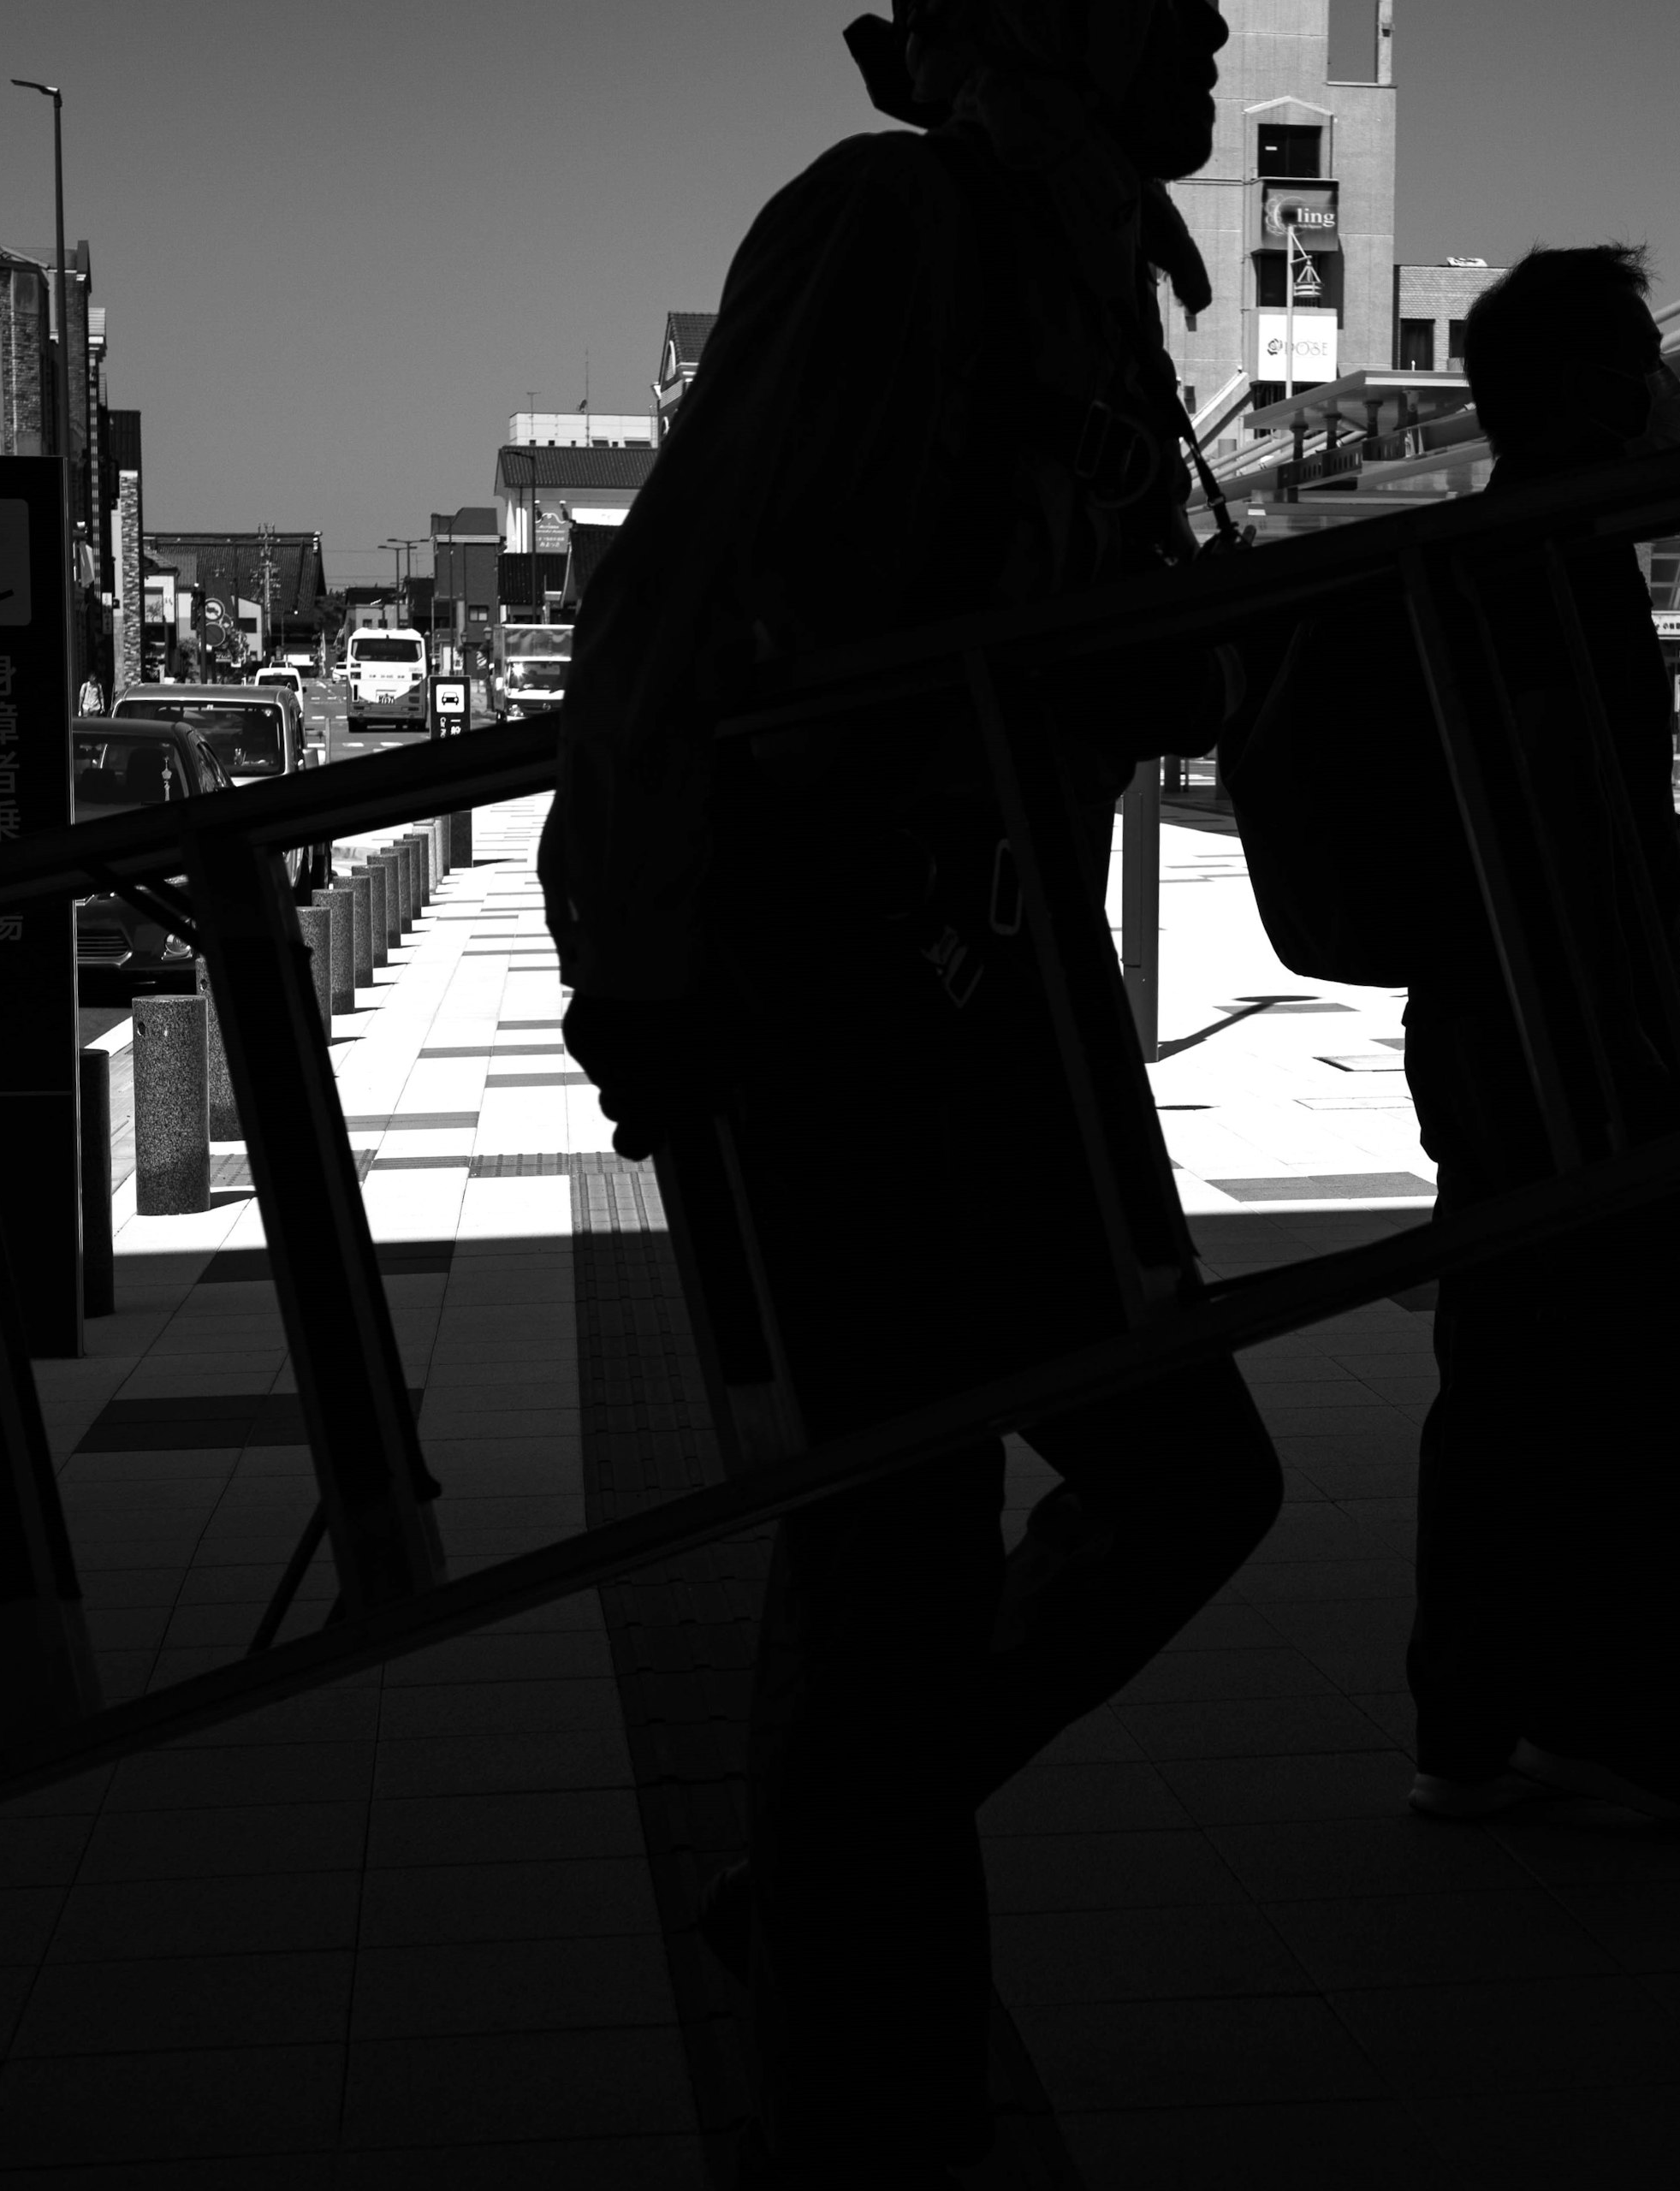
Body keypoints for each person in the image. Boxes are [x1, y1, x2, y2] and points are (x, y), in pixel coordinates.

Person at [540, 4, 1279, 2179]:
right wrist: (643, 963)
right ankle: (865, 2082)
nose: (1220, 22)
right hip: (841, 1007)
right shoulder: (896, 231)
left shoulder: (1087, 282)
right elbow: (670, 618)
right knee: (888, 1569)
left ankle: (830, 1885)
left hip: (999, 998)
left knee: (1180, 1480)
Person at [1228, 245, 1680, 1834]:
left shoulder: (1501, 560)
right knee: (1662, 1370)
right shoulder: (1541, 569)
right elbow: (1521, 801)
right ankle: (1603, 1711)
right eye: (1639, 355)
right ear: (1590, 389)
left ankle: (1480, 1721)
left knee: (1516, 1380)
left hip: (1496, 1028)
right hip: (1567, 1030)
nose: (1665, 389)